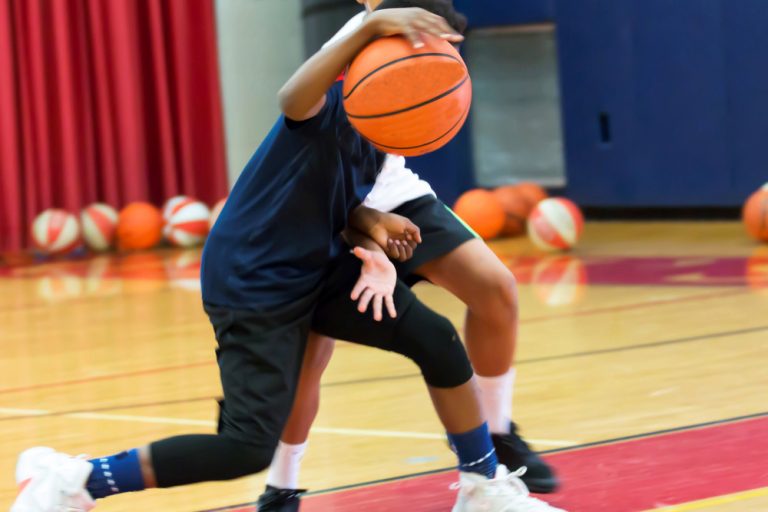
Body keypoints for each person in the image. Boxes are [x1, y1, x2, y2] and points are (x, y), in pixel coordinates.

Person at [10, 3, 564, 512]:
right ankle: (75, 478)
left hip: (318, 268)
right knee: (243, 447)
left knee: (437, 341)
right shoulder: (324, 107)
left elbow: (335, 200)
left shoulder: (382, 128)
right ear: (374, 55)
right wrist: (371, 27)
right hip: (255, 280)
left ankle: (483, 487)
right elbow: (290, 99)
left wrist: (371, 230)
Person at [257, 2, 557, 510]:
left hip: (395, 193)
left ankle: (497, 437)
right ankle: (281, 487)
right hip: (333, 204)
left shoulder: (423, 18)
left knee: (496, 288)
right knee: (311, 355)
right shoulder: (362, 30)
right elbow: (293, 101)